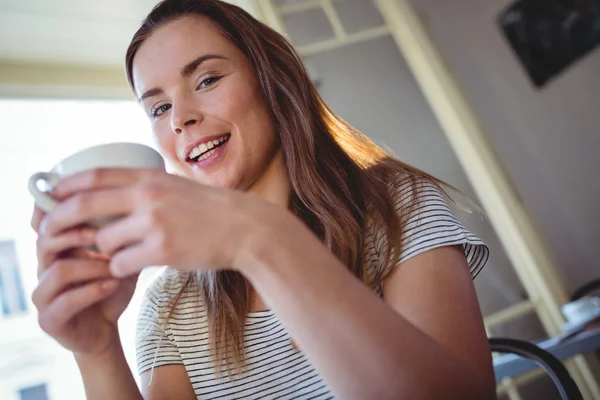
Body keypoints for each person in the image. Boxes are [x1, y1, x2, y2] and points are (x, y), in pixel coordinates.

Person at [30, 0, 496, 398]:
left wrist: (260, 239)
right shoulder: (170, 306)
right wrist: (96, 351)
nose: (181, 119)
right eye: (159, 107)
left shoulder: (397, 207)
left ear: (272, 80)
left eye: (207, 80)